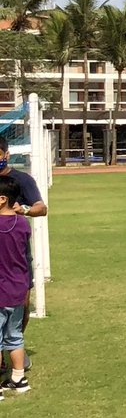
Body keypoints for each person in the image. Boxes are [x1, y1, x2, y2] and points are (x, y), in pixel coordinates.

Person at [0, 137, 46, 387]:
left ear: (6, 154)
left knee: (20, 306)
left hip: (15, 258)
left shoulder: (21, 180)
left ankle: (13, 349)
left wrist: (23, 211)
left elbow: (41, 207)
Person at [0, 174, 33, 402]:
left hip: (1, 288)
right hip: (18, 289)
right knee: (15, 336)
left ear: (2, 199)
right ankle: (19, 378)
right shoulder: (22, 223)